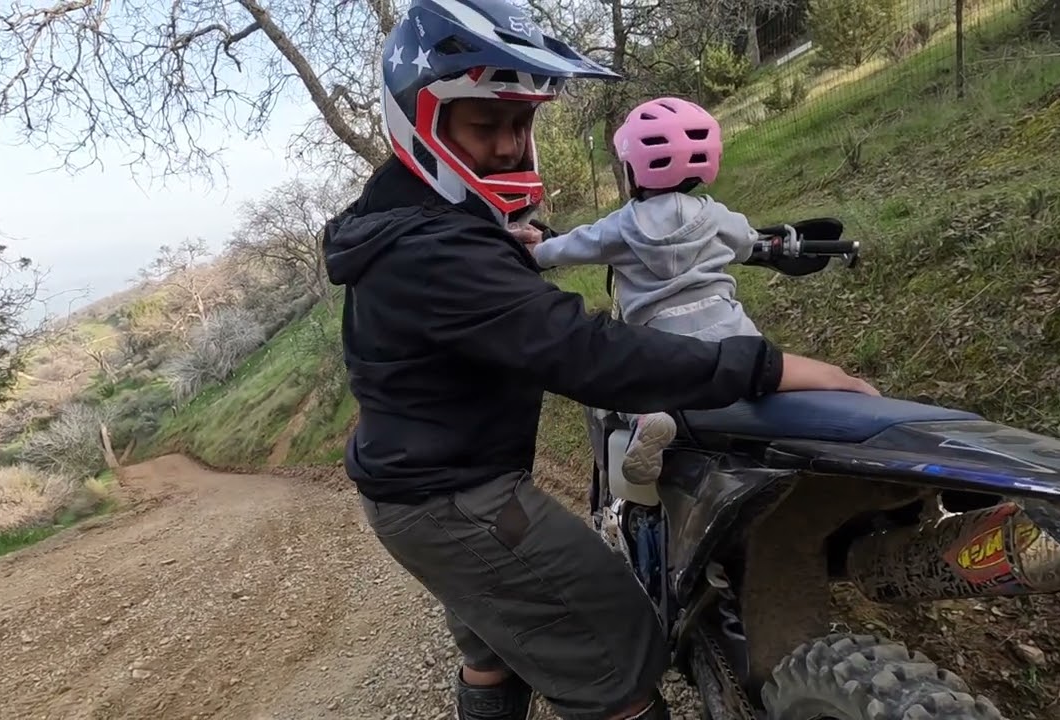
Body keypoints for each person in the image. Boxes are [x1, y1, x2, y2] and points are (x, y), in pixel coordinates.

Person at [319, 1, 879, 718]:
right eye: (485, 125)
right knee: (620, 650)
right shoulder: (434, 251)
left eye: (521, 123)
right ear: (424, 122)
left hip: (420, 488)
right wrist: (771, 367)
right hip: (457, 500)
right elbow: (584, 352)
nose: (509, 145)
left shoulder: (408, 218)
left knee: (496, 650)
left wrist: (521, 241)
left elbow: (486, 269)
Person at [513, 96, 769, 486]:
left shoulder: (621, 225)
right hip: (734, 334)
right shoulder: (716, 215)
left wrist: (537, 249)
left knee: (622, 379)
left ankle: (645, 418)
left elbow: (571, 246)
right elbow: (749, 243)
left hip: (662, 343)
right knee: (766, 368)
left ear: (634, 169)